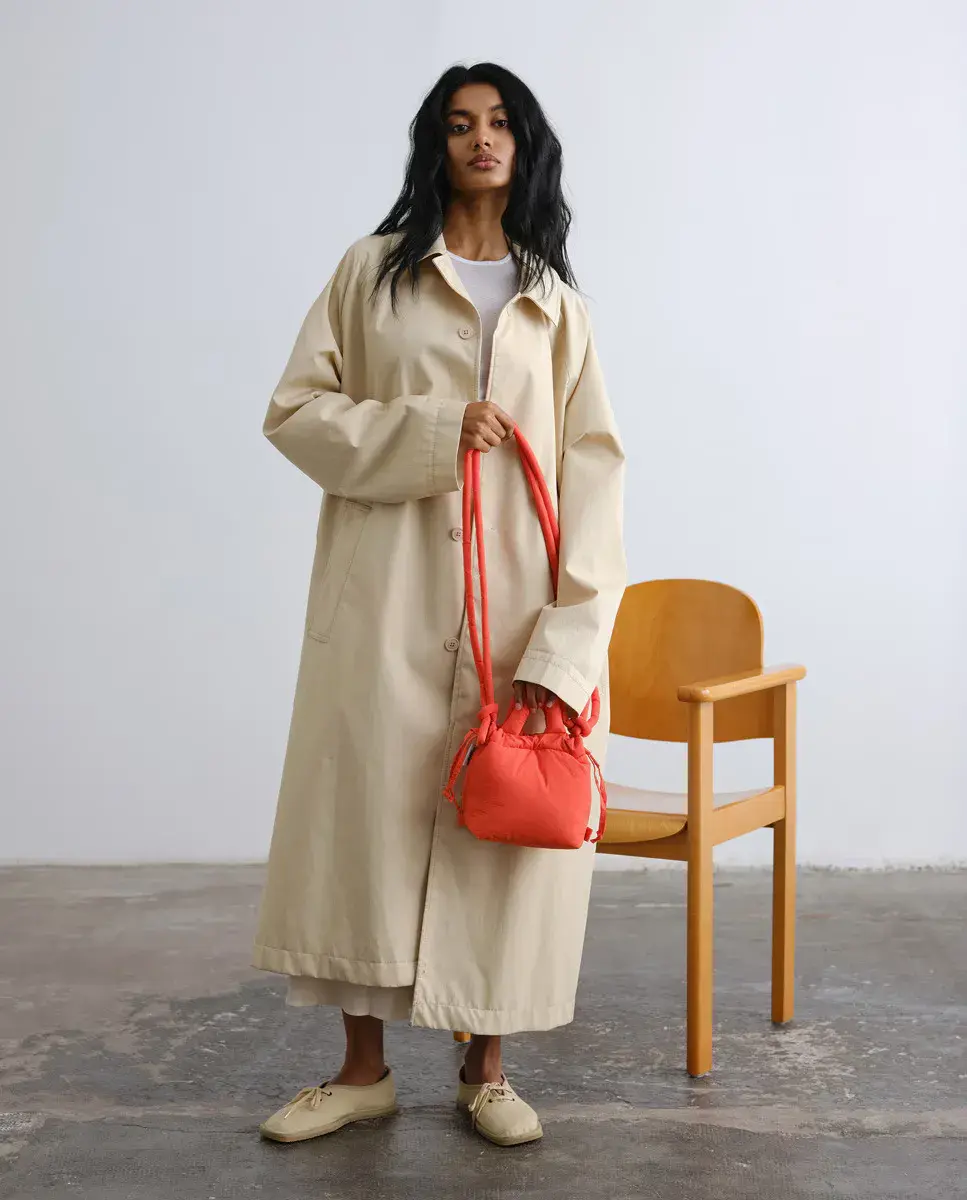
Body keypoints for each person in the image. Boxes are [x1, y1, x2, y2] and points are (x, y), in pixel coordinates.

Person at [252, 61, 627, 1148]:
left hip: (516, 612)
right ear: (436, 143)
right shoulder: (370, 274)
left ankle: (488, 1071)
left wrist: (564, 651)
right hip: (386, 603)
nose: (481, 138)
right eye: (460, 123)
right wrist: (428, 431)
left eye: (500, 121)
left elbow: (595, 481)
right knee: (365, 825)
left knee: (500, 829)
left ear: (524, 143)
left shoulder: (558, 309)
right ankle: (361, 1070)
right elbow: (295, 411)